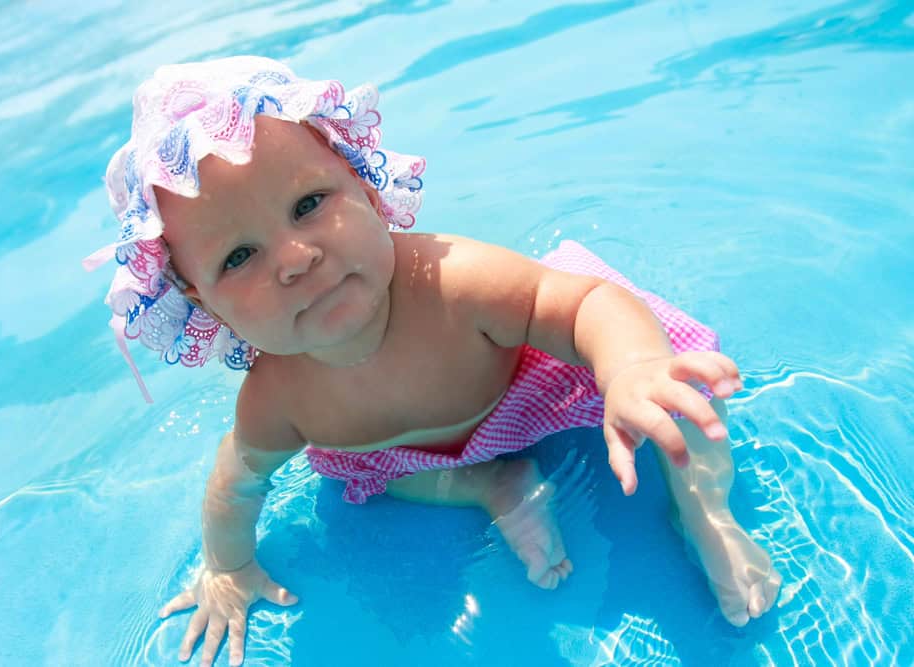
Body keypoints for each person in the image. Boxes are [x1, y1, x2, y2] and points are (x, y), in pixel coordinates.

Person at [85, 56, 781, 666]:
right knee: (366, 471)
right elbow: (235, 485)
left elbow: (583, 306)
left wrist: (627, 367)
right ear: (202, 305)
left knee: (671, 386)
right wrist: (229, 567)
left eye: (308, 204)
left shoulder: (456, 284)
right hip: (420, 452)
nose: (296, 260)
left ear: (362, 182)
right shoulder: (278, 397)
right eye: (239, 257)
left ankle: (706, 513)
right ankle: (491, 483)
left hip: (537, 382)